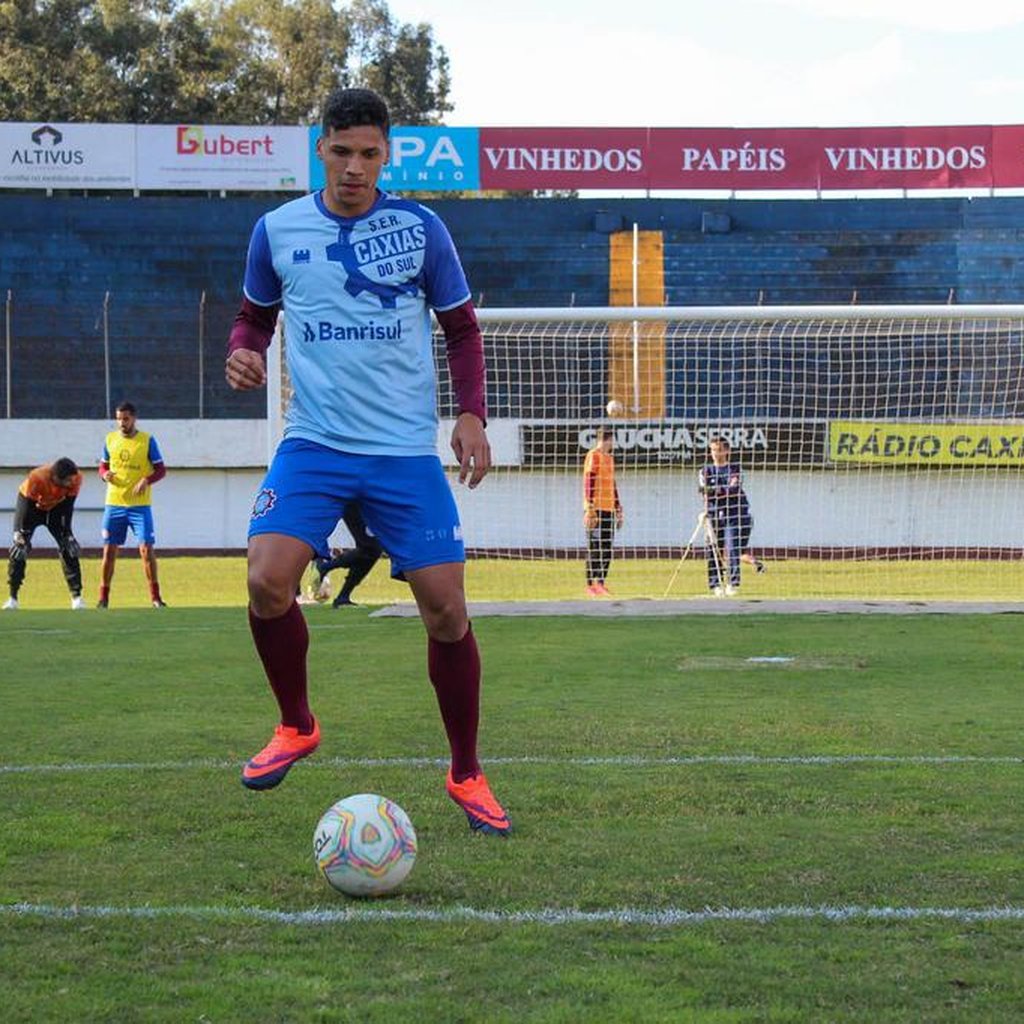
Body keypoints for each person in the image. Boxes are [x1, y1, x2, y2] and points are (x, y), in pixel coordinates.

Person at [224, 86, 510, 836]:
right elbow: (254, 318)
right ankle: (296, 725)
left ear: (388, 155)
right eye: (342, 151)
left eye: (370, 154)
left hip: (402, 452)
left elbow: (462, 330)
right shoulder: (277, 229)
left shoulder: (420, 228)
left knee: (447, 611)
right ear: (320, 149)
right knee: (265, 581)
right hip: (313, 442)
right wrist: (243, 354)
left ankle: (467, 772)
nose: (355, 167)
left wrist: (472, 414)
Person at [97, 401, 167, 608]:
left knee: (146, 550)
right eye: (118, 419)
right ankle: (103, 598)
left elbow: (161, 470)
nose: (121, 423)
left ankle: (155, 598)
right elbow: (102, 466)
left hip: (139, 507)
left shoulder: (147, 441)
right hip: (114, 504)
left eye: (125, 419)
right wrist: (104, 474)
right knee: (109, 552)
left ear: (134, 418)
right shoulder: (110, 440)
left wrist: (146, 480)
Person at [4, 458, 85, 610]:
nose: (70, 484)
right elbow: (25, 505)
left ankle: (77, 597)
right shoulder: (37, 477)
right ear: (55, 478)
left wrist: (68, 533)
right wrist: (18, 533)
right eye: (67, 481)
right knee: (19, 548)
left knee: (68, 547)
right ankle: (12, 597)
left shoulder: (76, 478)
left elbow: (68, 508)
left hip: (57, 510)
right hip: (33, 509)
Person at [698, 435, 765, 597]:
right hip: (714, 515)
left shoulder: (735, 469)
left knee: (732, 548)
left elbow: (733, 490)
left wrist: (714, 490)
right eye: (713, 450)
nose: (716, 453)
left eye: (719, 450)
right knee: (712, 549)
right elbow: (703, 491)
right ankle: (715, 584)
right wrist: (705, 509)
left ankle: (732, 583)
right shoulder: (705, 471)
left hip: (734, 514)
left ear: (727, 451)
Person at [312, 502, 384, 607]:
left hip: (366, 502)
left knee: (371, 550)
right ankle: (325, 568)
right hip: (356, 500)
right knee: (371, 548)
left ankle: (342, 595)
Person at [582, 426, 624, 596]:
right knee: (594, 546)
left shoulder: (610, 458)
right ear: (607, 439)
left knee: (607, 547)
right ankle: (590, 584)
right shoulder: (594, 455)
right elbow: (588, 480)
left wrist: (618, 507)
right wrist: (590, 506)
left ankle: (601, 582)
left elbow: (612, 484)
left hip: (608, 509)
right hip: (595, 509)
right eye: (611, 440)